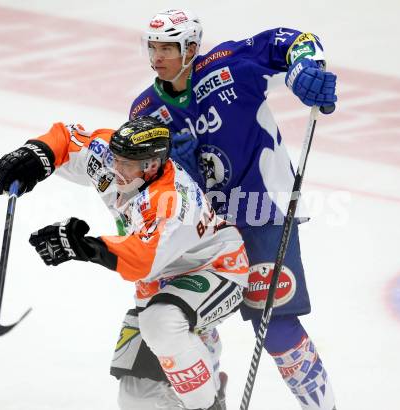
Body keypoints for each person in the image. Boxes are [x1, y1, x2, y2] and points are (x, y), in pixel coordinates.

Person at [129, 9, 338, 410]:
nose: (158, 57)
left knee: (276, 328)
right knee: (187, 322)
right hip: (203, 231)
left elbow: (291, 40)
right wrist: (176, 171)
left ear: (191, 47)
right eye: (152, 47)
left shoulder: (228, 66)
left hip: (264, 212)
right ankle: (211, 400)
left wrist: (305, 68)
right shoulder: (145, 110)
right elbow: (143, 182)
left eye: (168, 47)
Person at [0, 116, 250, 410]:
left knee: (161, 322)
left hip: (215, 268)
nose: (114, 168)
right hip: (158, 283)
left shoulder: (172, 201)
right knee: (136, 400)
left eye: (125, 164)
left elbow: (141, 260)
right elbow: (67, 138)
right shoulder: (117, 157)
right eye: (115, 159)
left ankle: (209, 403)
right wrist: (35, 155)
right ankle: (205, 367)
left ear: (151, 165)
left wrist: (84, 246)